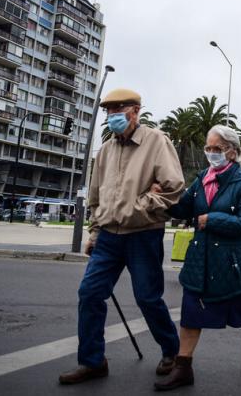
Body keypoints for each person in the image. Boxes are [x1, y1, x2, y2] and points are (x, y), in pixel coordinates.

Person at [59, 89, 185, 385]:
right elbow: (95, 197)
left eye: (119, 108)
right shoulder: (104, 150)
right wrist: (94, 231)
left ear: (136, 110)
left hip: (143, 235)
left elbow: (173, 188)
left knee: (147, 298)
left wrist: (139, 207)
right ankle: (92, 361)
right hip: (108, 238)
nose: (112, 114)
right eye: (109, 110)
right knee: (89, 294)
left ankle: (172, 351)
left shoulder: (156, 141)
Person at [154, 125, 241, 391]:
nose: (211, 153)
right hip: (200, 261)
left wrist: (211, 219)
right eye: (208, 148)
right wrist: (165, 198)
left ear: (232, 152)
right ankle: (183, 368)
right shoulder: (203, 177)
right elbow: (185, 207)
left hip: (229, 264)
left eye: (216, 148)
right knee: (191, 313)